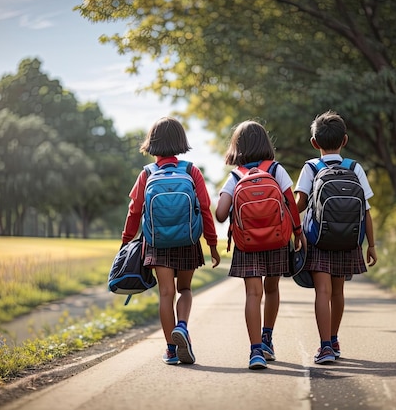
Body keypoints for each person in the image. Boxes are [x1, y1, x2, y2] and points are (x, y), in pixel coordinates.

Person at [121, 116, 221, 365]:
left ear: (151, 143)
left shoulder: (146, 174)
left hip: (157, 242)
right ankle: (183, 327)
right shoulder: (191, 170)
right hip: (187, 240)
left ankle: (171, 350)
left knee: (166, 293)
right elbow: (205, 208)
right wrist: (212, 243)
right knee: (185, 290)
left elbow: (134, 211)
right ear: (180, 142)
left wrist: (125, 242)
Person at [215, 120, 304, 370]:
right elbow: (290, 203)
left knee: (253, 294)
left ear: (237, 148)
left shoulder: (235, 176)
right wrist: (297, 232)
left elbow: (221, 214)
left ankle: (255, 351)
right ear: (266, 144)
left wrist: (230, 204)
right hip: (277, 240)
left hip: (247, 242)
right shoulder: (276, 170)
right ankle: (267, 339)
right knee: (272, 288)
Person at [294, 110, 377, 364]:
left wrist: (290, 223)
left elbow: (299, 205)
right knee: (338, 292)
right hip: (349, 240)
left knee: (322, 291)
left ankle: (325, 347)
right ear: (345, 140)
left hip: (318, 238)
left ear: (314, 143)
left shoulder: (310, 167)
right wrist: (370, 245)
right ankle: (334, 338)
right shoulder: (355, 167)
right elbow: (365, 209)